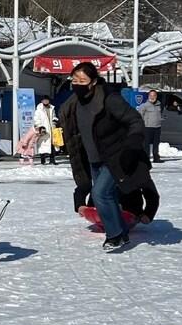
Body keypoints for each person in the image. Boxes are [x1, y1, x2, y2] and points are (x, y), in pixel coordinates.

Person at [58, 62, 153, 250]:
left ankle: (115, 235)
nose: (77, 84)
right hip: (93, 158)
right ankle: (122, 233)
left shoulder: (109, 99)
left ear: (93, 82)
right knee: (107, 195)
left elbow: (134, 120)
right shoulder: (74, 103)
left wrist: (133, 141)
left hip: (116, 155)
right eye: (74, 80)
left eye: (82, 80)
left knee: (100, 193)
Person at [138, 90, 164, 163]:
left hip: (157, 127)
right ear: (148, 96)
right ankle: (146, 158)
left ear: (156, 96)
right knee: (146, 144)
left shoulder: (159, 104)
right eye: (151, 95)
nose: (152, 97)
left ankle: (156, 157)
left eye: (154, 95)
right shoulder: (144, 106)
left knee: (156, 143)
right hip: (147, 127)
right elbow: (139, 116)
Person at [33, 95, 58, 166]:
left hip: (52, 129)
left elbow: (54, 116)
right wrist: (40, 127)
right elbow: (36, 119)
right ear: (41, 101)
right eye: (44, 100)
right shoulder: (39, 110)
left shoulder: (52, 108)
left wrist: (55, 120)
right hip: (44, 129)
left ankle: (52, 160)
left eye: (47, 100)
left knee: (53, 145)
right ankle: (43, 160)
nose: (46, 101)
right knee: (42, 145)